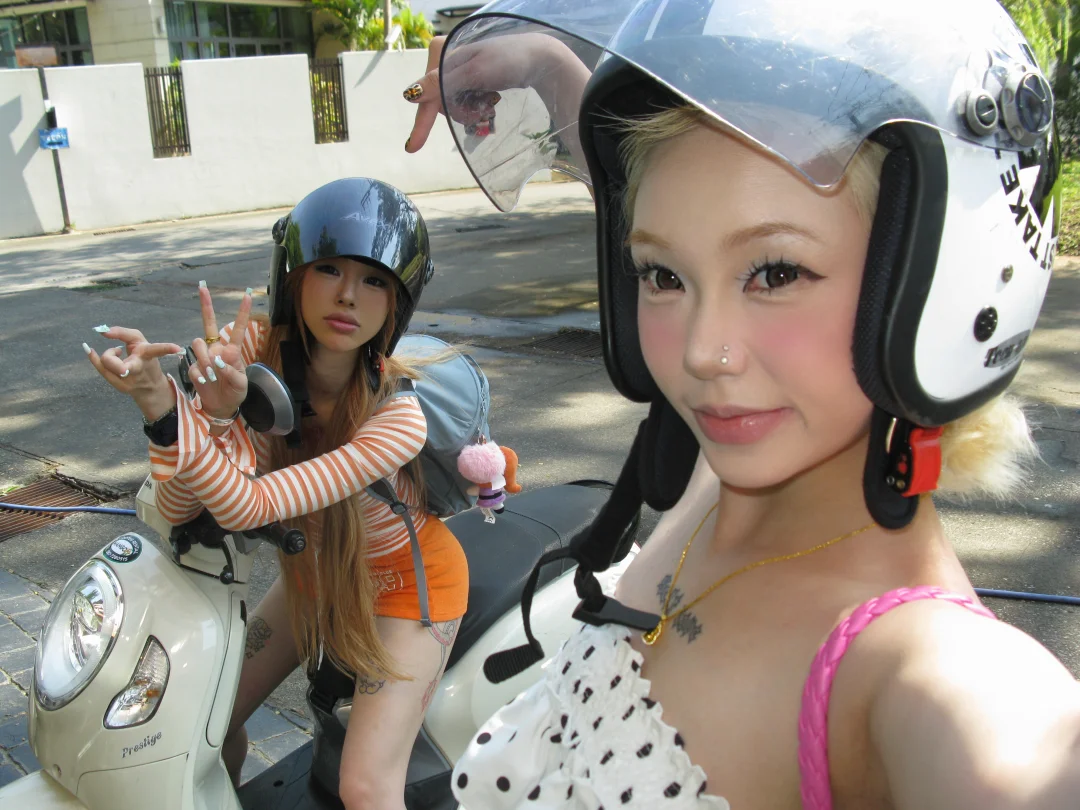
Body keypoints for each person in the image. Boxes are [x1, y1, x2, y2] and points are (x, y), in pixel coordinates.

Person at [401, 1, 1080, 808]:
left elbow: (1019, 757)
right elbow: (676, 190)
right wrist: (545, 65)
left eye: (776, 273)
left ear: (928, 289)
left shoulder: (909, 668)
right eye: (663, 276)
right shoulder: (720, 479)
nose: (702, 352)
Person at [82, 177, 469, 810]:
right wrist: (203, 414)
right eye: (330, 268)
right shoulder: (254, 364)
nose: (348, 295)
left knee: (366, 788)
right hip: (312, 578)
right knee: (200, 726)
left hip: (406, 587)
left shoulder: (399, 417)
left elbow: (249, 505)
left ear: (397, 303)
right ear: (293, 277)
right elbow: (179, 510)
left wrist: (169, 415)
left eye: (374, 281)